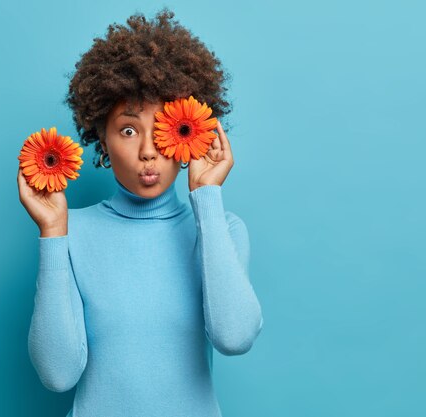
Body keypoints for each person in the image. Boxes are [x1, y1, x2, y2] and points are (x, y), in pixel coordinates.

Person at [17, 8, 263, 417]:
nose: (148, 150)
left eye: (165, 128)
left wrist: (206, 197)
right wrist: (53, 234)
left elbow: (234, 337)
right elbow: (58, 374)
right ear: (102, 137)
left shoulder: (223, 228)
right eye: (128, 130)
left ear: (191, 133)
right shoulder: (70, 232)